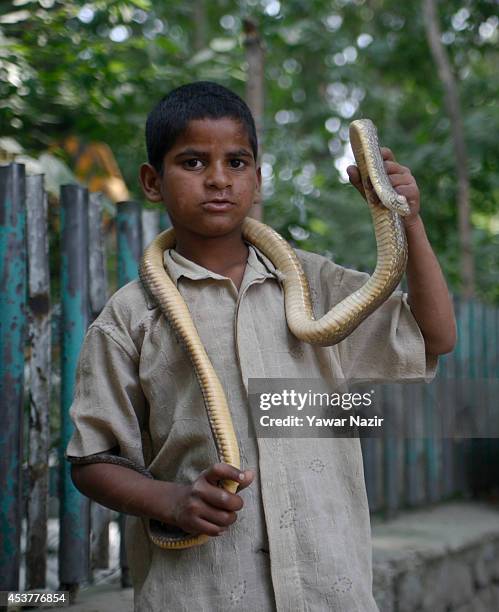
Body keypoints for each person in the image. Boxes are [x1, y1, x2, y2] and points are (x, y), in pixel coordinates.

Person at [68, 81, 456, 611]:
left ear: (257, 176)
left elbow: (435, 337)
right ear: (152, 182)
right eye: (192, 163)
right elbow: (92, 460)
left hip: (330, 591)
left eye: (236, 161)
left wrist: (407, 220)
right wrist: (173, 500)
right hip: (201, 595)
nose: (218, 179)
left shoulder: (314, 284)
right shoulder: (130, 316)